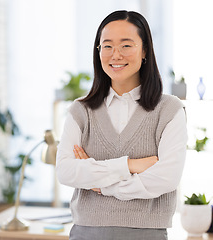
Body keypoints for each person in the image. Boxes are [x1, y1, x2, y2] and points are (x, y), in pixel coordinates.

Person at [55, 10, 187, 240]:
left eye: (126, 45)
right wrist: (130, 165)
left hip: (147, 235)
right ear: (98, 52)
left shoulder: (169, 109)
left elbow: (167, 177)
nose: (115, 55)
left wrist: (101, 184)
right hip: (86, 233)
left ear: (145, 50)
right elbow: (66, 172)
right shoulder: (80, 110)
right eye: (107, 46)